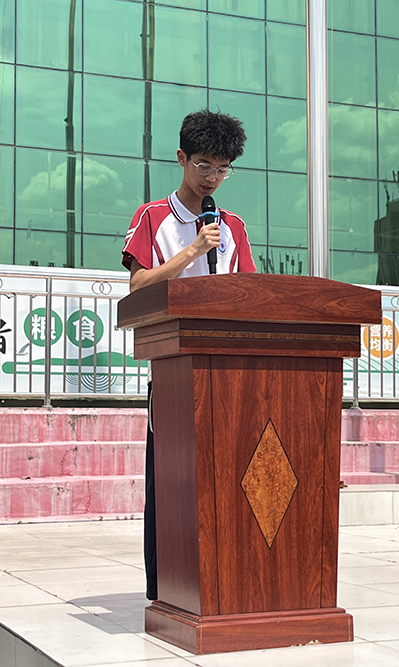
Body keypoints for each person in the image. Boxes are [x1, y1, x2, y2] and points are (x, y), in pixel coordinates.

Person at [121, 109, 256, 600]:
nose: (212, 177)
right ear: (181, 158)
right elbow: (137, 285)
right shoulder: (153, 217)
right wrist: (191, 252)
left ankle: (226, 581)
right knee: (172, 479)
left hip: (228, 370)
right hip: (175, 370)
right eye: (203, 165)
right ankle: (168, 586)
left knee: (229, 477)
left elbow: (249, 293)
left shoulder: (233, 225)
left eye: (222, 169)